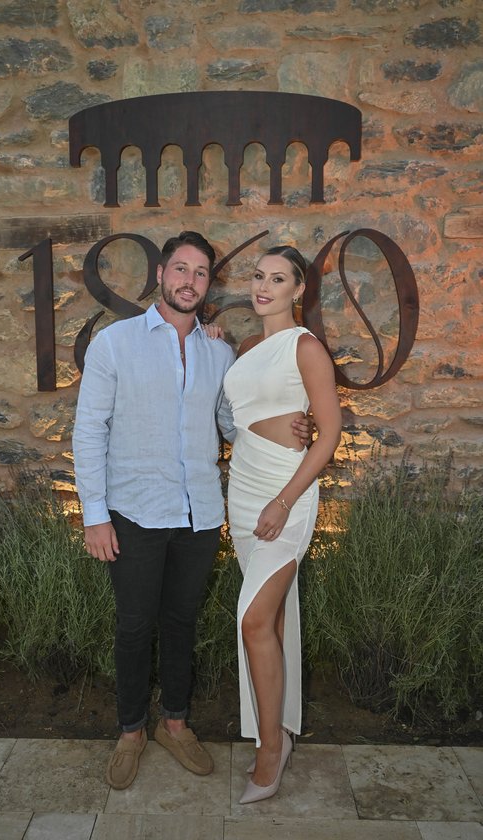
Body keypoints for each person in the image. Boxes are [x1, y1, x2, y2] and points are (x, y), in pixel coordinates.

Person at [72, 231, 311, 791]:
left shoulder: (217, 352)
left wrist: (290, 427)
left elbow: (232, 425)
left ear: (208, 284)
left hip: (199, 514)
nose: (189, 281)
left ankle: (174, 725)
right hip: (133, 511)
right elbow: (89, 430)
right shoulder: (116, 344)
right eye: (180, 269)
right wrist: (94, 514)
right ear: (160, 274)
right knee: (134, 626)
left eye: (200, 273)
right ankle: (131, 731)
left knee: (182, 622)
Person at [219, 245, 341, 805]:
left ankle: (271, 748)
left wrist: (284, 502)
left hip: (285, 495)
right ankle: (281, 728)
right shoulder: (245, 348)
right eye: (258, 276)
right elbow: (237, 417)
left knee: (252, 621)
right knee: (271, 620)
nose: (263, 287)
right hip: (243, 489)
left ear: (299, 289)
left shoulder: (306, 347)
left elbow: (329, 435)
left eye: (277, 279)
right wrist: (214, 342)